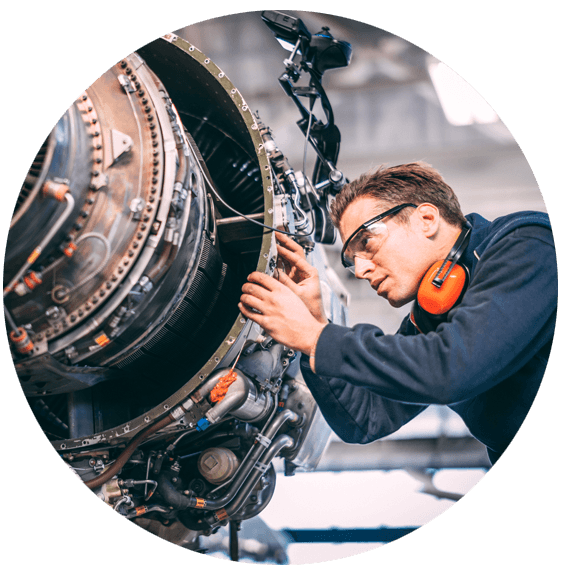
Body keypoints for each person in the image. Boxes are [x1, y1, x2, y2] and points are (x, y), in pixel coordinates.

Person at [238, 162, 557, 465]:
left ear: (426, 220)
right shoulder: (431, 317)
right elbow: (364, 419)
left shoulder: (528, 245)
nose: (360, 270)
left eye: (367, 241)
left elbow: (451, 369)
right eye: (351, 260)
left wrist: (318, 337)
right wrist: (311, 329)